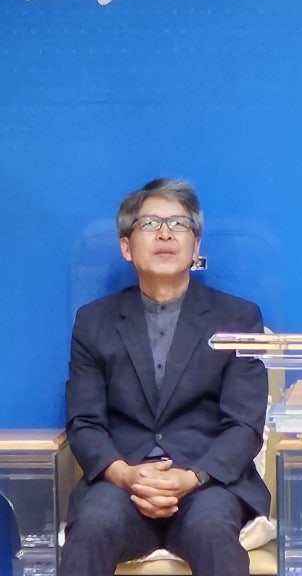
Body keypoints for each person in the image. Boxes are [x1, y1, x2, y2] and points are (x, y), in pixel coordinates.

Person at [62, 178, 269, 576]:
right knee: (93, 523)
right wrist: (126, 475)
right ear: (126, 247)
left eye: (178, 224)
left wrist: (190, 477)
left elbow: (244, 425)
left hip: (207, 484)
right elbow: (85, 422)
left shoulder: (238, 318)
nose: (165, 234)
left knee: (212, 528)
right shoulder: (93, 322)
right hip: (123, 484)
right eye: (150, 224)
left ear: (196, 246)